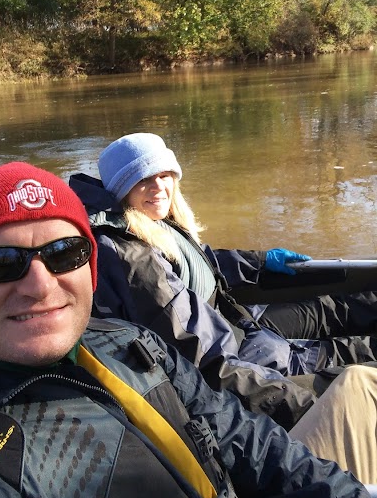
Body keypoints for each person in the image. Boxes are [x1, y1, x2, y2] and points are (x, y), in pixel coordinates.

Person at [0, 160, 376, 498]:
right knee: (358, 381)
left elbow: (252, 445)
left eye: (64, 253)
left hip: (248, 487)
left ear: (89, 265)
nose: (41, 285)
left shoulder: (131, 344)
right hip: (246, 355)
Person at [70, 132, 377, 433]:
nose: (159, 186)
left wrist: (260, 261)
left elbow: (202, 262)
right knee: (347, 359)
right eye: (143, 179)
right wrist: (304, 405)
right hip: (239, 357)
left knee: (326, 310)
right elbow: (204, 358)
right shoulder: (131, 258)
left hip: (235, 325)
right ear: (120, 189)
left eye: (165, 175)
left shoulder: (149, 221)